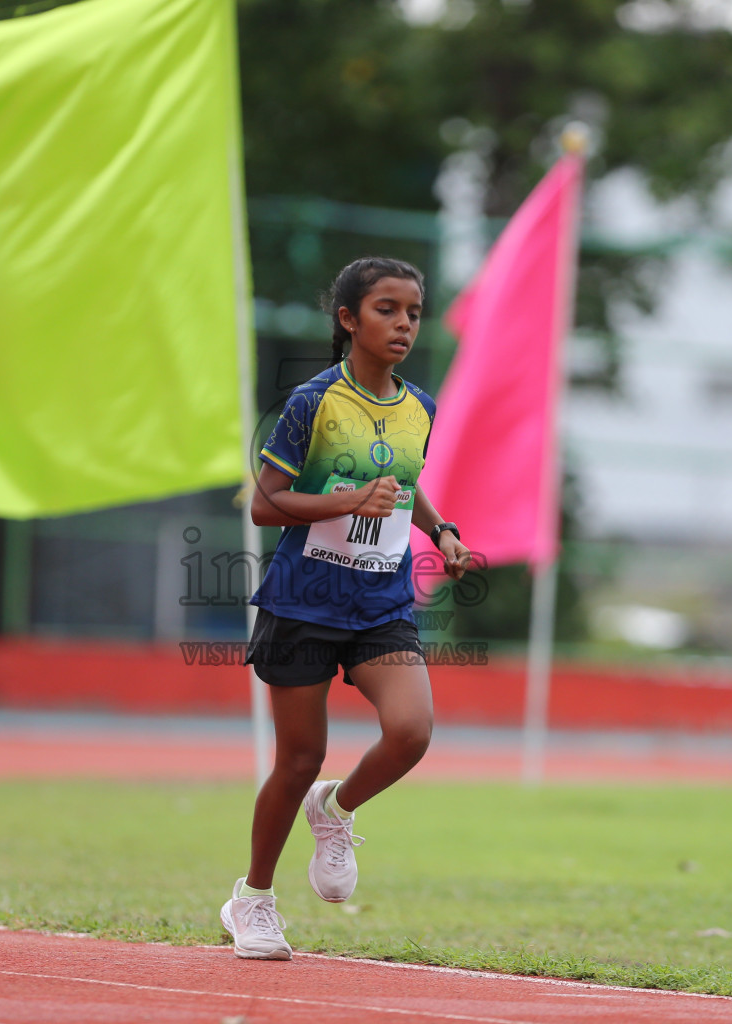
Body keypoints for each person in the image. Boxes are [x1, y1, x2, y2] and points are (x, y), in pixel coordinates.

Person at [219, 257, 472, 960]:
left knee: (412, 730)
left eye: (413, 313)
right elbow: (267, 504)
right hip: (304, 602)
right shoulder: (313, 402)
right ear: (347, 320)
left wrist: (441, 530)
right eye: (386, 309)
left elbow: (405, 482)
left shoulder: (420, 404)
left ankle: (338, 810)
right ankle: (253, 900)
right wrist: (346, 499)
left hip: (380, 602)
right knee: (298, 758)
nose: (403, 325)